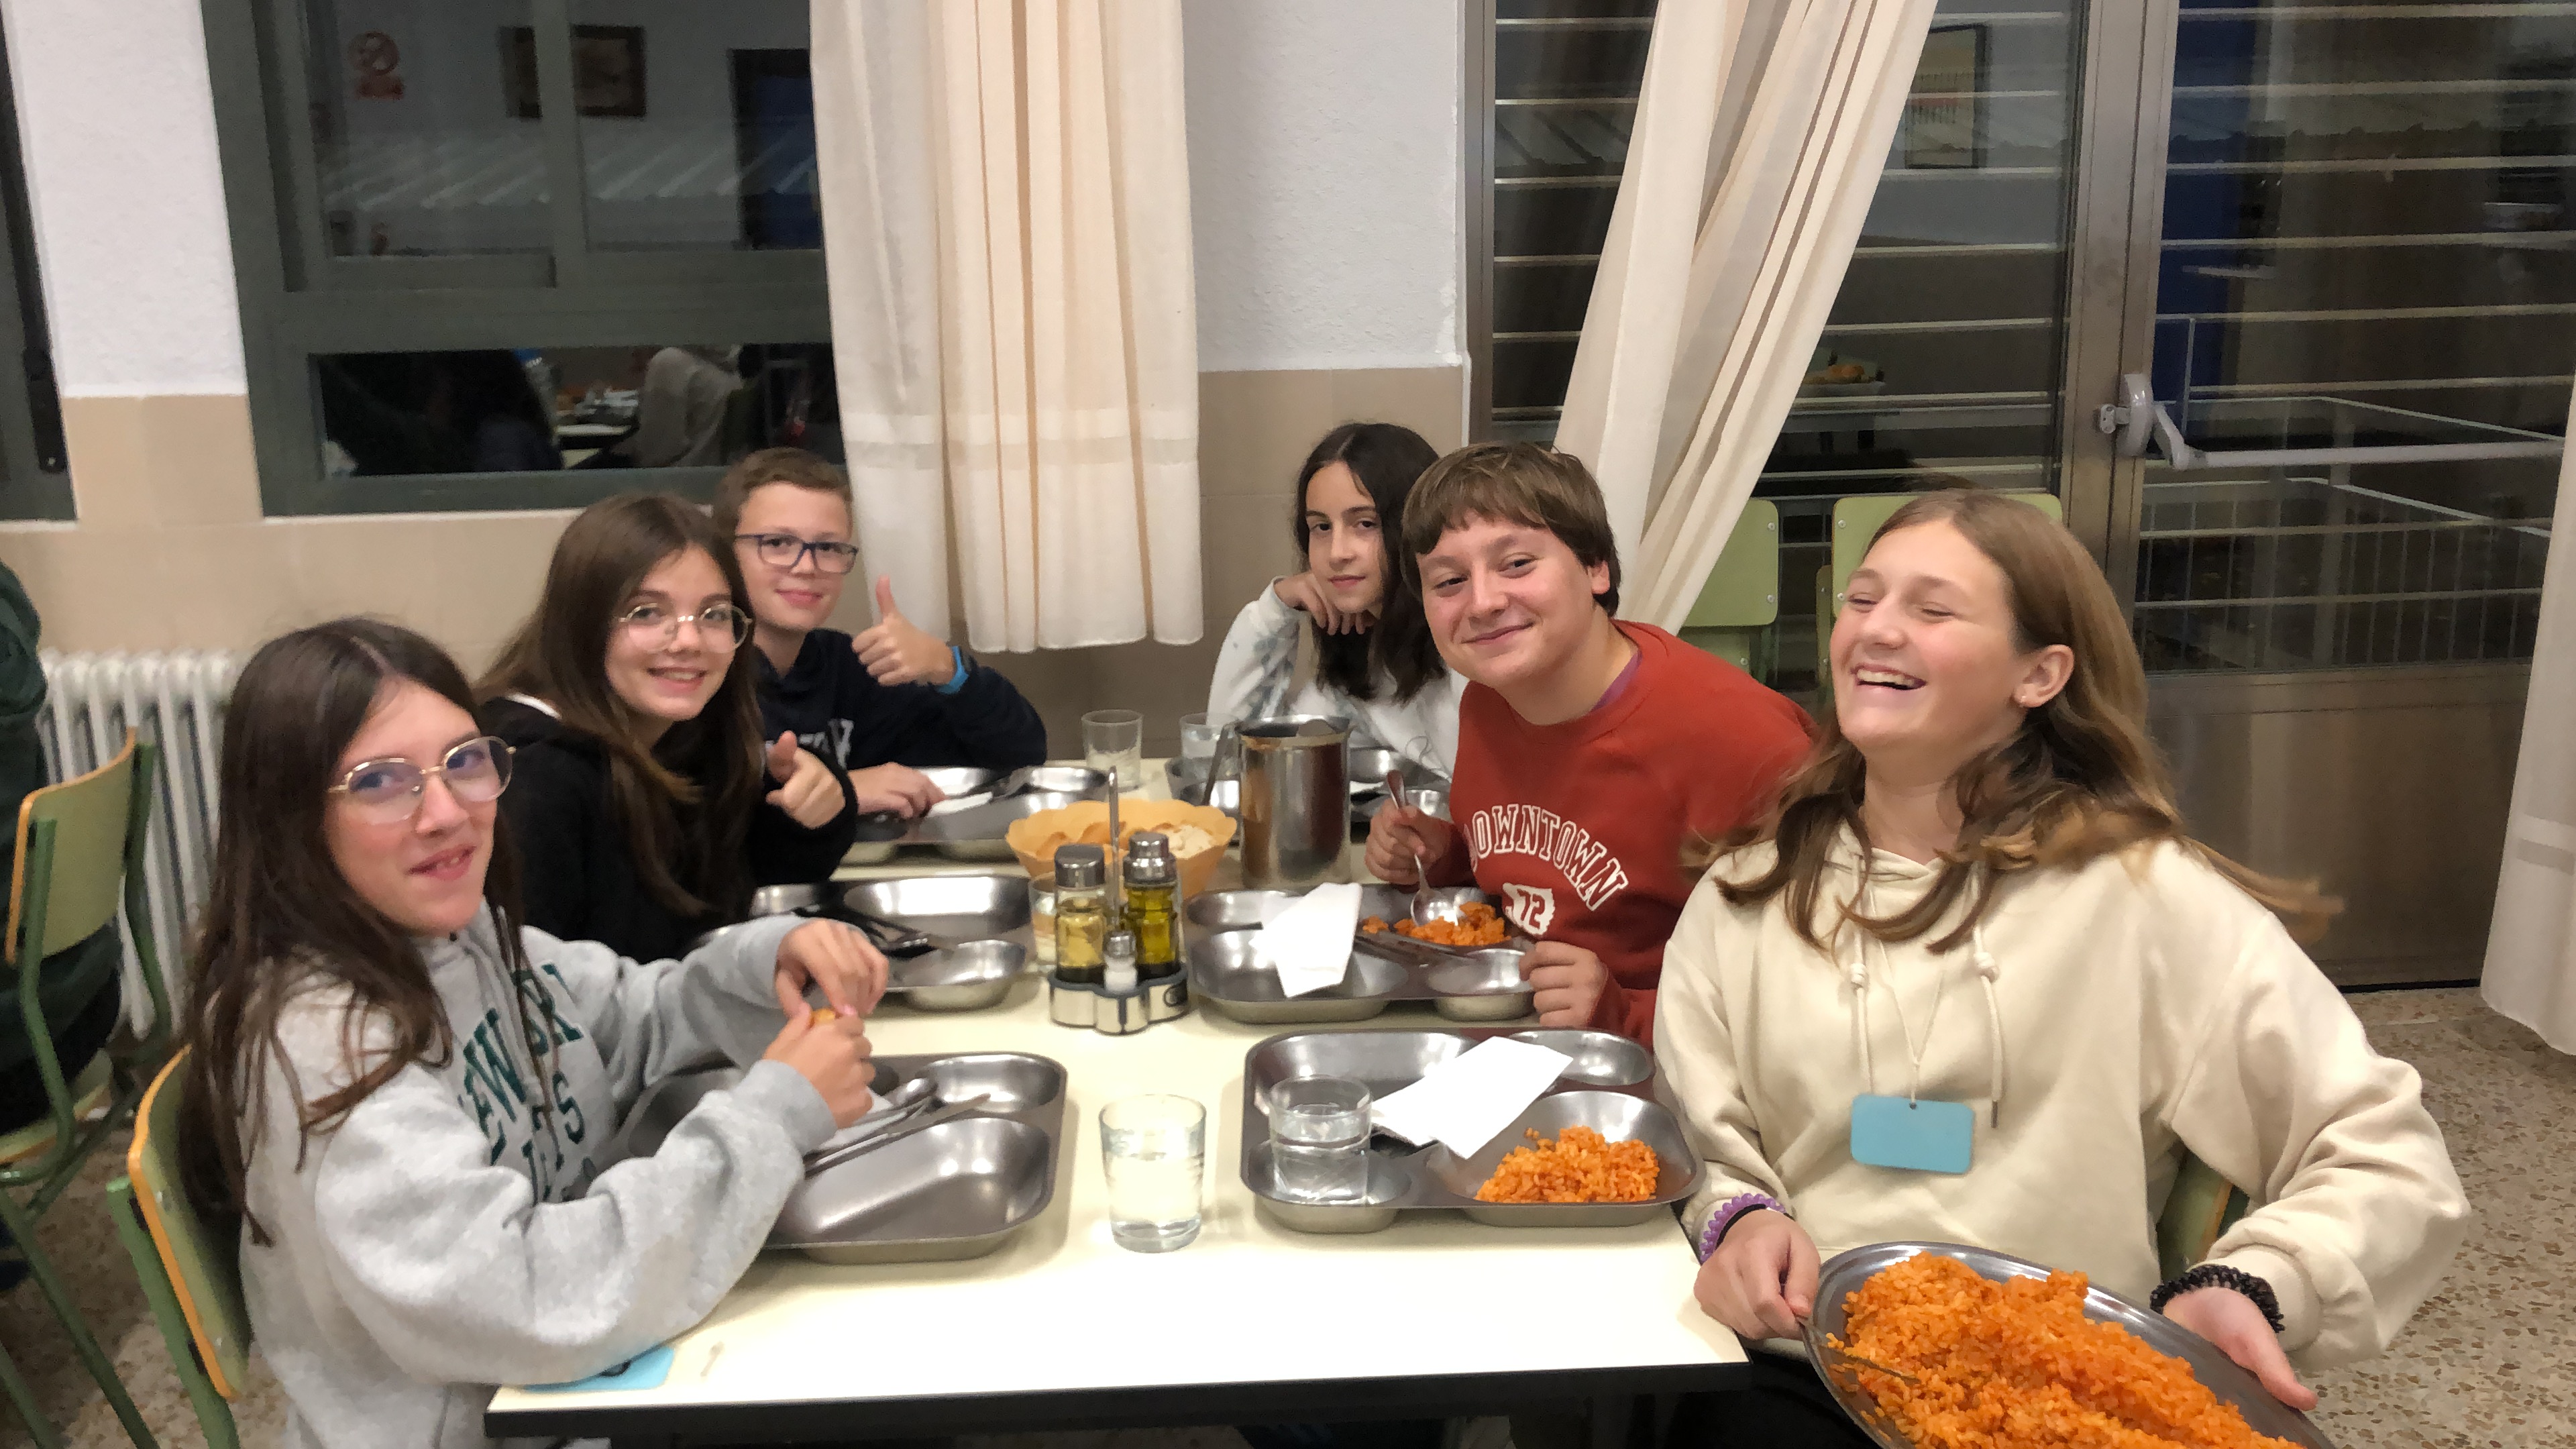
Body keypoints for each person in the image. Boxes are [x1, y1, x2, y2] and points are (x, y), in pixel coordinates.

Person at [1658, 490, 2467, 1445]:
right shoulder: (1748, 895)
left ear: (2038, 674)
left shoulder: (2145, 899)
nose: (1875, 629)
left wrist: (2254, 1281)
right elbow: (1696, 1138)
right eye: (1862, 600)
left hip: (2062, 1391)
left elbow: (2382, 1151)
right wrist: (1740, 1220)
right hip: (1809, 1368)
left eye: (1932, 609)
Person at [176, 618, 886, 1449]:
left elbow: (634, 1018)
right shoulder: (320, 1048)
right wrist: (771, 1118)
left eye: (463, 762)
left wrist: (763, 961)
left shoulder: (463, 931)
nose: (446, 812)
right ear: (291, 817)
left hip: (573, 1392)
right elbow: (527, 1297)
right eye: (381, 782)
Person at [1364, 443, 1813, 1042]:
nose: (1484, 602)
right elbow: (1546, 873)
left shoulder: (1742, 741)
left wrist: (1628, 1012)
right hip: (1525, 1030)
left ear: (1596, 567)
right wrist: (1439, 857)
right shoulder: (1489, 699)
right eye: (1449, 581)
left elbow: (1815, 990)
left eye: (1517, 564)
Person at [480, 493, 859, 962]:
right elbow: (536, 990)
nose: (688, 640)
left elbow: (745, 883)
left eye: (714, 614)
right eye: (646, 613)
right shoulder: (530, 780)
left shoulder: (680, 736)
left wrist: (814, 810)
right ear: (581, 623)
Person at [712, 447, 1048, 816]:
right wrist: (845, 791)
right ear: (724, 554)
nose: (807, 566)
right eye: (777, 543)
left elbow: (1018, 756)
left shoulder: (850, 670)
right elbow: (693, 820)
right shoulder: (696, 670)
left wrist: (949, 669)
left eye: (828, 547)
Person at [1208, 423, 1463, 773]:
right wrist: (1275, 609)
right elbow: (1231, 759)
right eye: (1322, 527)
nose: (1337, 553)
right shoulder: (1362, 672)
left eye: (1365, 524)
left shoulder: (1470, 647)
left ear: (1415, 526)